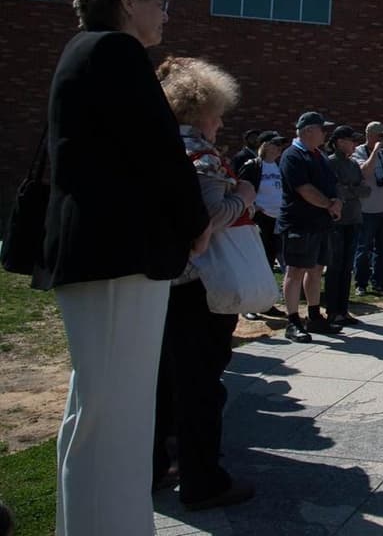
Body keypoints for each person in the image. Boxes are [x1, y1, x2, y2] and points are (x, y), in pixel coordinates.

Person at [41, 0, 210, 535]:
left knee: (94, 408)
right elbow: (157, 152)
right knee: (118, 417)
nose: (165, 13)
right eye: (159, 1)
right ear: (127, 2)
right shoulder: (115, 53)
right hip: (121, 253)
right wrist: (195, 222)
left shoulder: (79, 53)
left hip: (96, 250)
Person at [154, 55, 256, 511]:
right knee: (201, 385)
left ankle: (154, 466)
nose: (220, 122)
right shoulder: (201, 156)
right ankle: (203, 479)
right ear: (201, 109)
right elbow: (208, 223)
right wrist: (244, 195)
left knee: (163, 381)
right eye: (217, 112)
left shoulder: (154, 146)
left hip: (161, 283)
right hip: (199, 285)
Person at [278, 111, 343, 343]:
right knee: (295, 271)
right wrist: (328, 204)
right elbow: (304, 189)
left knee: (316, 269)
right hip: (299, 222)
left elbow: (331, 184)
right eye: (321, 129)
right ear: (307, 131)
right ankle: (292, 321)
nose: (325, 133)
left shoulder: (319, 155)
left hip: (321, 223)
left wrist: (336, 202)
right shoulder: (292, 156)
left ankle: (314, 316)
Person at [324, 125, 366, 326]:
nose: (354, 144)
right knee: (335, 266)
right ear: (340, 142)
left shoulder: (353, 164)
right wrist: (351, 190)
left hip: (354, 218)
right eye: (351, 140)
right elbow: (336, 190)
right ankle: (332, 311)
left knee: (347, 266)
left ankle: (343, 309)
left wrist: (351, 190)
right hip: (337, 221)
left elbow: (365, 189)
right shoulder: (331, 163)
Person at [353, 121, 383, 295]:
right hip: (367, 210)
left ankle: (379, 282)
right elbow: (365, 172)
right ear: (370, 136)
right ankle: (360, 283)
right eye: (380, 136)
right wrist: (375, 152)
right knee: (363, 248)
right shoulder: (358, 153)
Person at [238, 131, 289, 278]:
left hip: (278, 218)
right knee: (263, 255)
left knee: (277, 253)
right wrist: (253, 205)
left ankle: (271, 287)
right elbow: (240, 188)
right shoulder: (253, 165)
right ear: (265, 145)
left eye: (280, 145)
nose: (279, 148)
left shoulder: (279, 166)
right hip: (261, 217)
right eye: (275, 144)